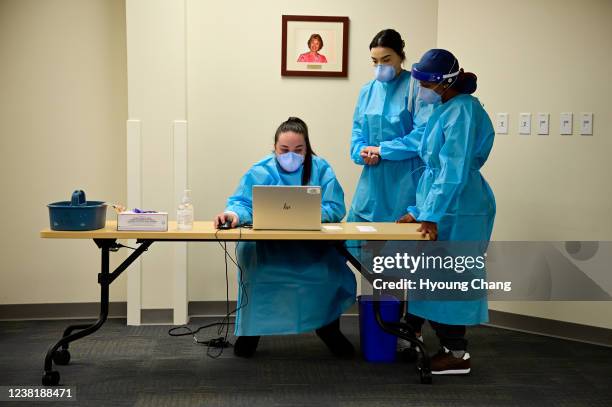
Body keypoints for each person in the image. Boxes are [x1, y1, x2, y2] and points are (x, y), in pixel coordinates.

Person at [213, 117, 356, 358]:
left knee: (326, 276)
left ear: (307, 148)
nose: (291, 155)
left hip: (312, 249)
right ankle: (250, 332)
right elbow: (241, 203)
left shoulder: (321, 169)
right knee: (258, 274)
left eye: (299, 150)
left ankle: (327, 328)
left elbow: (335, 207)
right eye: (284, 150)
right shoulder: (260, 170)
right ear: (275, 148)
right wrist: (232, 214)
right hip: (267, 250)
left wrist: (309, 213)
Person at [397, 49, 496, 375]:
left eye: (424, 82)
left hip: (460, 209)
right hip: (444, 206)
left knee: (450, 282)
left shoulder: (463, 111)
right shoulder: (443, 107)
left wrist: (432, 215)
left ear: (443, 82)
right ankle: (419, 336)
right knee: (428, 279)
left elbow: (452, 172)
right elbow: (434, 175)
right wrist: (418, 210)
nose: (420, 89)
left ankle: (457, 355)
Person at [348, 29, 433, 224]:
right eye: (374, 61)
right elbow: (357, 133)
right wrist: (362, 152)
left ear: (400, 56)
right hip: (371, 185)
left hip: (406, 183)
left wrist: (383, 150)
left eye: (386, 59)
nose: (380, 66)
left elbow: (423, 135)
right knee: (359, 250)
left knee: (400, 250)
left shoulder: (417, 87)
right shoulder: (367, 91)